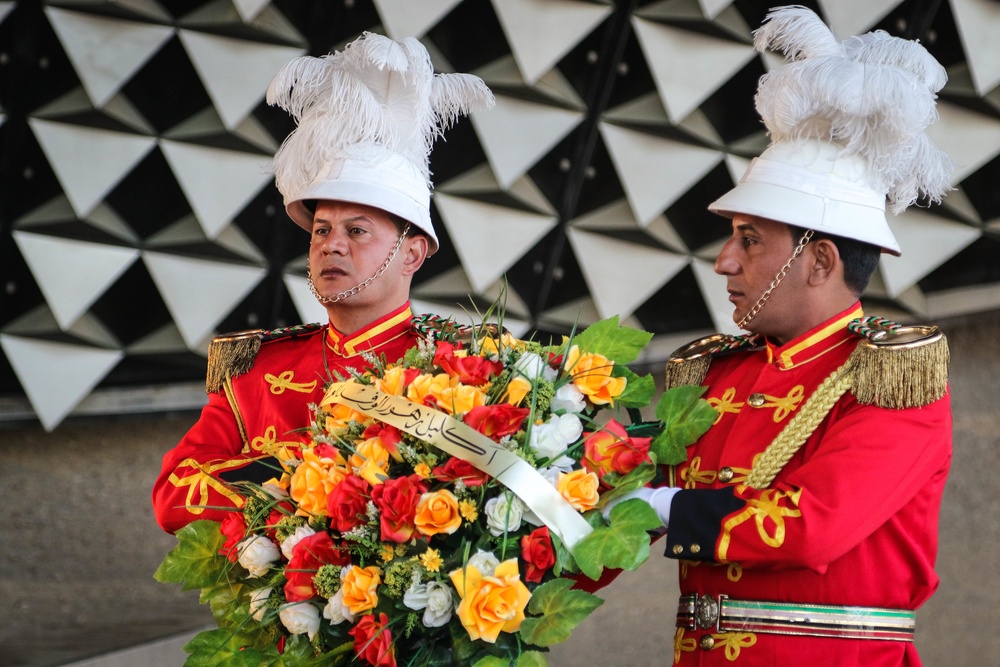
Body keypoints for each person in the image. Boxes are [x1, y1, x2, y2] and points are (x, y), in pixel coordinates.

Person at [615, 7, 953, 666]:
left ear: (820, 261)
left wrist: (663, 505)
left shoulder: (894, 374)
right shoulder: (714, 373)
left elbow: (815, 525)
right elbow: (618, 506)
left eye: (749, 240)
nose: (723, 262)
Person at [153, 33, 493, 533]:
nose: (332, 245)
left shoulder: (467, 365)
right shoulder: (255, 369)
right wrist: (307, 476)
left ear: (413, 253)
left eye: (357, 231)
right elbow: (172, 498)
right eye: (321, 230)